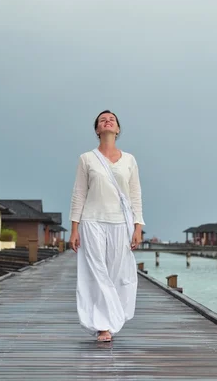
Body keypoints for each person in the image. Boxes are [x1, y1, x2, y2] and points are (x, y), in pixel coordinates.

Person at [69, 110, 145, 342]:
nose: (108, 120)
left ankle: (114, 315)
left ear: (118, 129)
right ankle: (103, 326)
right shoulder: (86, 159)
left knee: (117, 272)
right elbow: (79, 194)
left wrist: (138, 226)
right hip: (92, 221)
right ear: (97, 130)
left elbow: (135, 195)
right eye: (103, 119)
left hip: (120, 222)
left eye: (112, 119)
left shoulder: (129, 160)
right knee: (97, 272)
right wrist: (74, 228)